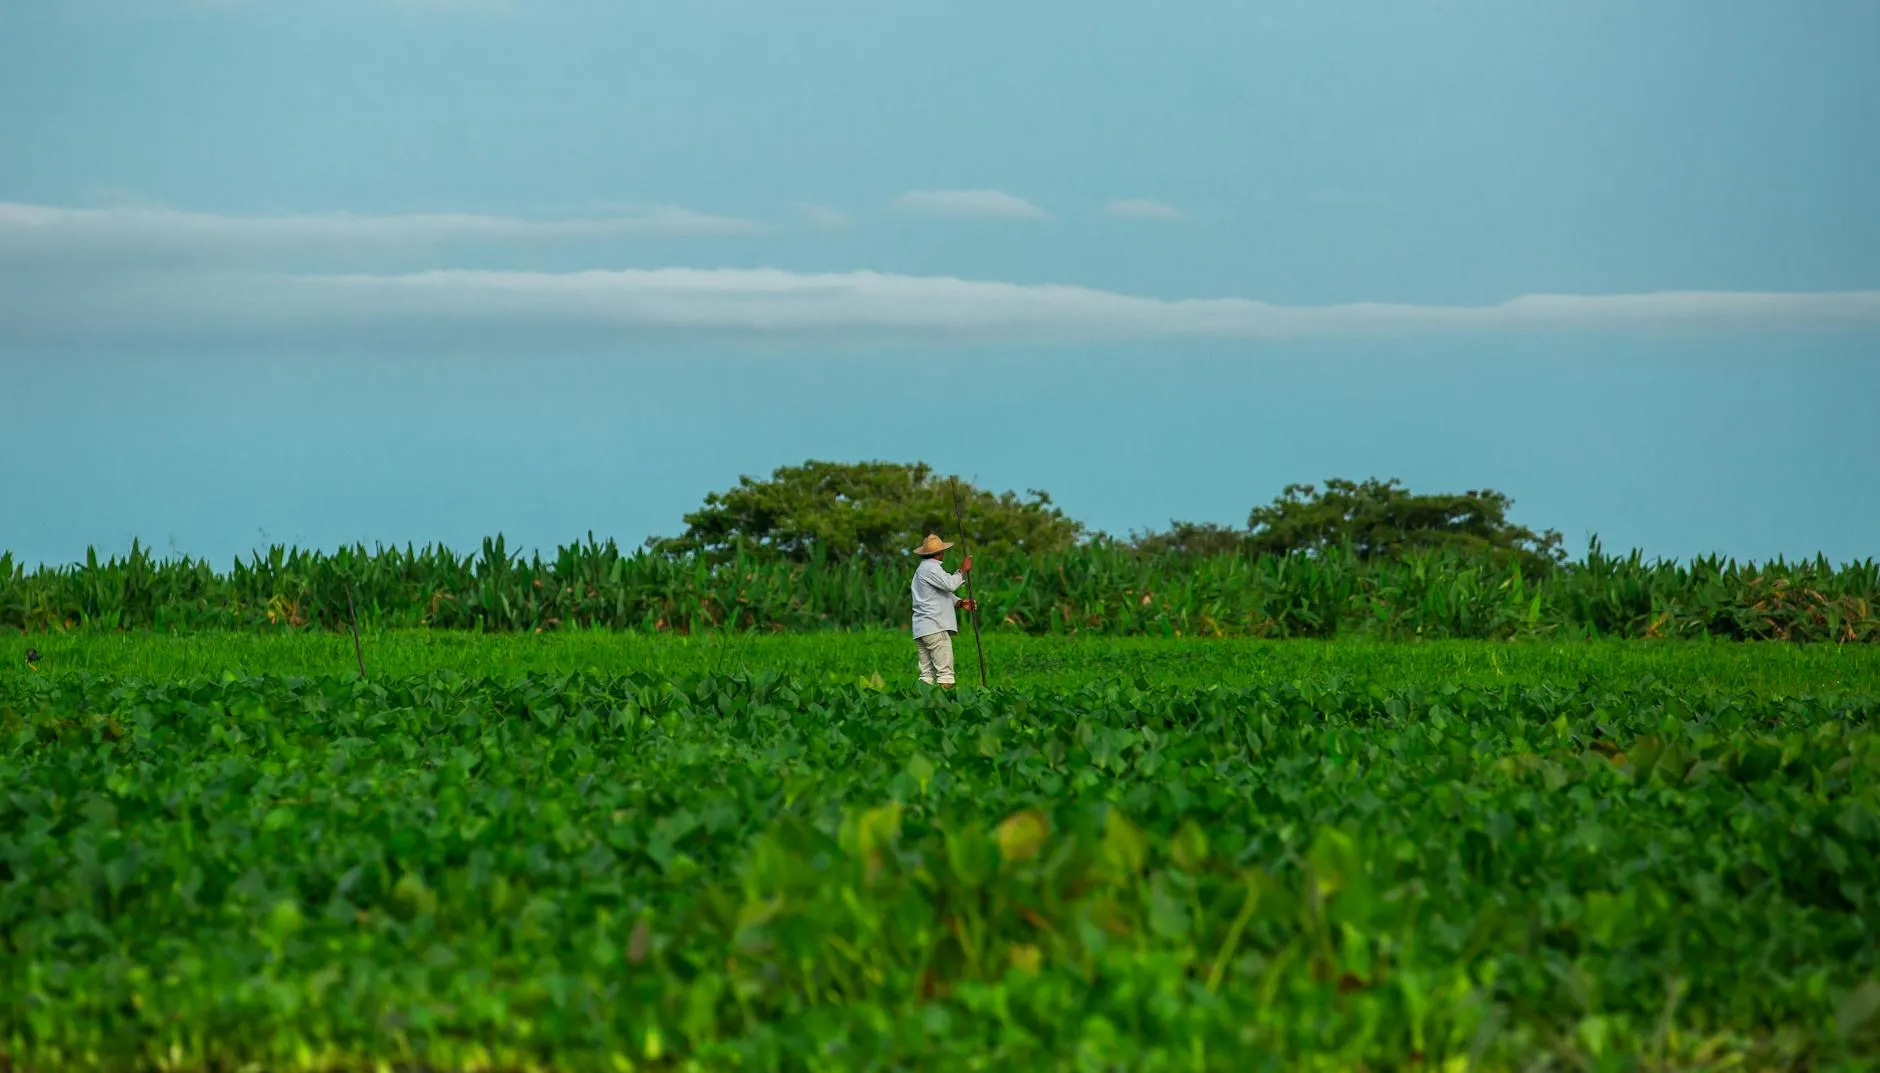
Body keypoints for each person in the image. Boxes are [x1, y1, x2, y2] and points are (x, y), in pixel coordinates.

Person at [909, 533, 976, 688]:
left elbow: (939, 593)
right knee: (945, 673)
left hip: (922, 629)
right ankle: (945, 701)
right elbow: (950, 585)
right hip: (935, 626)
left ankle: (923, 700)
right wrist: (962, 570)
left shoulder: (922, 570)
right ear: (940, 552)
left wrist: (959, 602)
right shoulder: (931, 568)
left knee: (926, 674)